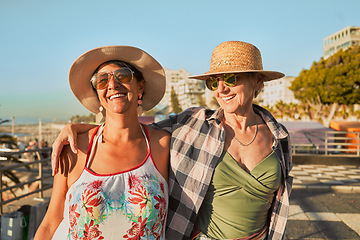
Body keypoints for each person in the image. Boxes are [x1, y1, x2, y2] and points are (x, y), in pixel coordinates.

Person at [51, 41, 293, 239]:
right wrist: (78, 128)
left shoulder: (279, 137)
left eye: (231, 78)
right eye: (214, 82)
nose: (222, 88)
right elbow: (127, 130)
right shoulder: (194, 124)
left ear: (258, 81)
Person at [35, 45, 170, 239]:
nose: (112, 85)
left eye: (123, 76)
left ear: (140, 86)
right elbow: (50, 223)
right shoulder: (74, 149)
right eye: (102, 80)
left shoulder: (163, 145)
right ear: (98, 93)